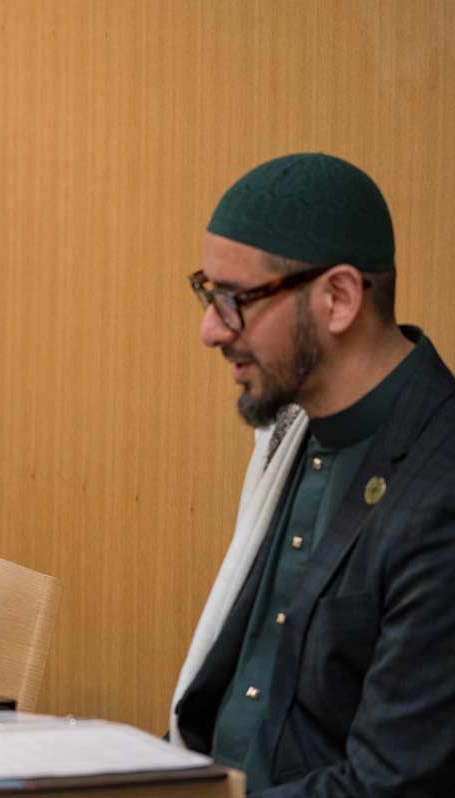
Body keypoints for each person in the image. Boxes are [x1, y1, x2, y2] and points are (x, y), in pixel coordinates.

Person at [170, 153, 455, 795]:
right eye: (206, 293)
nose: (209, 330)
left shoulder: (439, 491)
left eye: (234, 300)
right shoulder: (293, 433)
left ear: (339, 298)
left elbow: (391, 787)